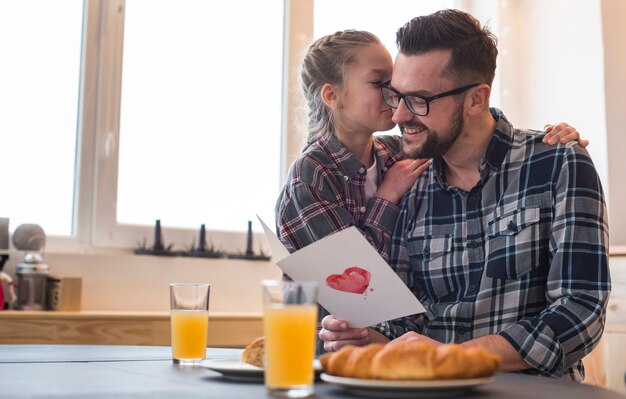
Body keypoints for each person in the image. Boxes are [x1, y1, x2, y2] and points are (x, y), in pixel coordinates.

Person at [318, 10, 609, 382]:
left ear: (476, 99)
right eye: (396, 95)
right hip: (426, 391)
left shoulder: (558, 162)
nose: (400, 114)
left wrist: (452, 356)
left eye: (420, 100)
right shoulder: (408, 183)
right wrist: (362, 338)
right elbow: (405, 322)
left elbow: (580, 311)